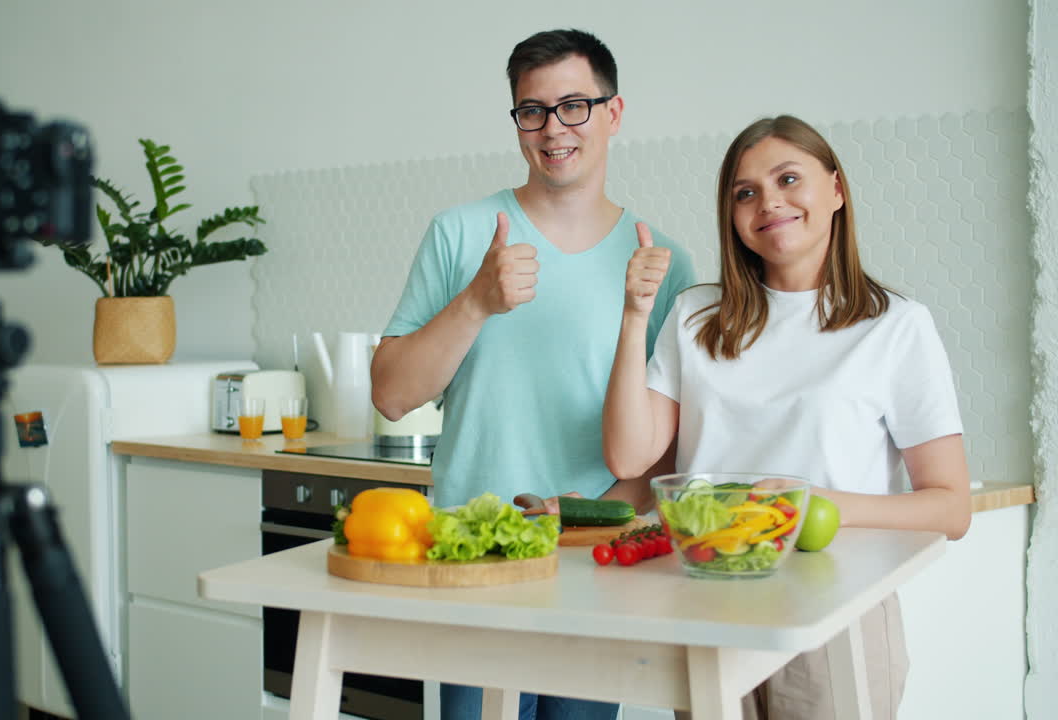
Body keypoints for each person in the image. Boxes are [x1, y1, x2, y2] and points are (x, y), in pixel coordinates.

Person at [371, 28, 696, 720]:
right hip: (472, 564)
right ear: (517, 120)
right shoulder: (461, 234)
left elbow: (664, 447)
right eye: (532, 110)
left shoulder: (665, 262)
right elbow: (392, 394)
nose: (554, 129)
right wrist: (477, 303)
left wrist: (577, 520)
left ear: (614, 113)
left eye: (575, 105)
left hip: (593, 566)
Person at [604, 114, 972, 720]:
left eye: (788, 178)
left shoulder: (897, 326)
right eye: (745, 192)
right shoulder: (696, 315)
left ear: (836, 189)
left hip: (836, 616)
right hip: (708, 611)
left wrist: (805, 505)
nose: (768, 202)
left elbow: (950, 506)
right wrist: (635, 315)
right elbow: (631, 458)